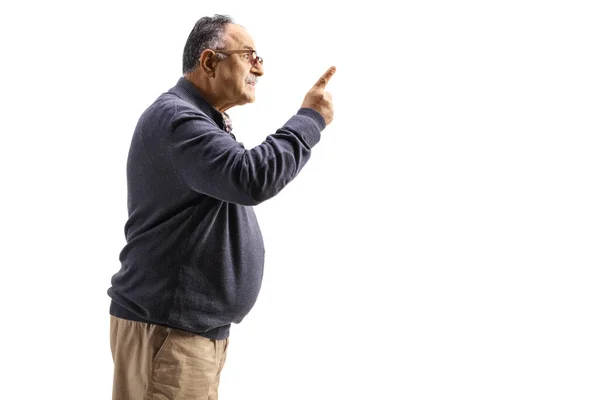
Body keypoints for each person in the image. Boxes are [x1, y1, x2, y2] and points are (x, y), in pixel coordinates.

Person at [106, 14, 335, 399]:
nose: (260, 67)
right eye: (249, 55)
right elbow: (251, 177)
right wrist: (310, 119)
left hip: (186, 333)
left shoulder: (201, 121)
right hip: (170, 332)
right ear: (210, 61)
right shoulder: (178, 120)